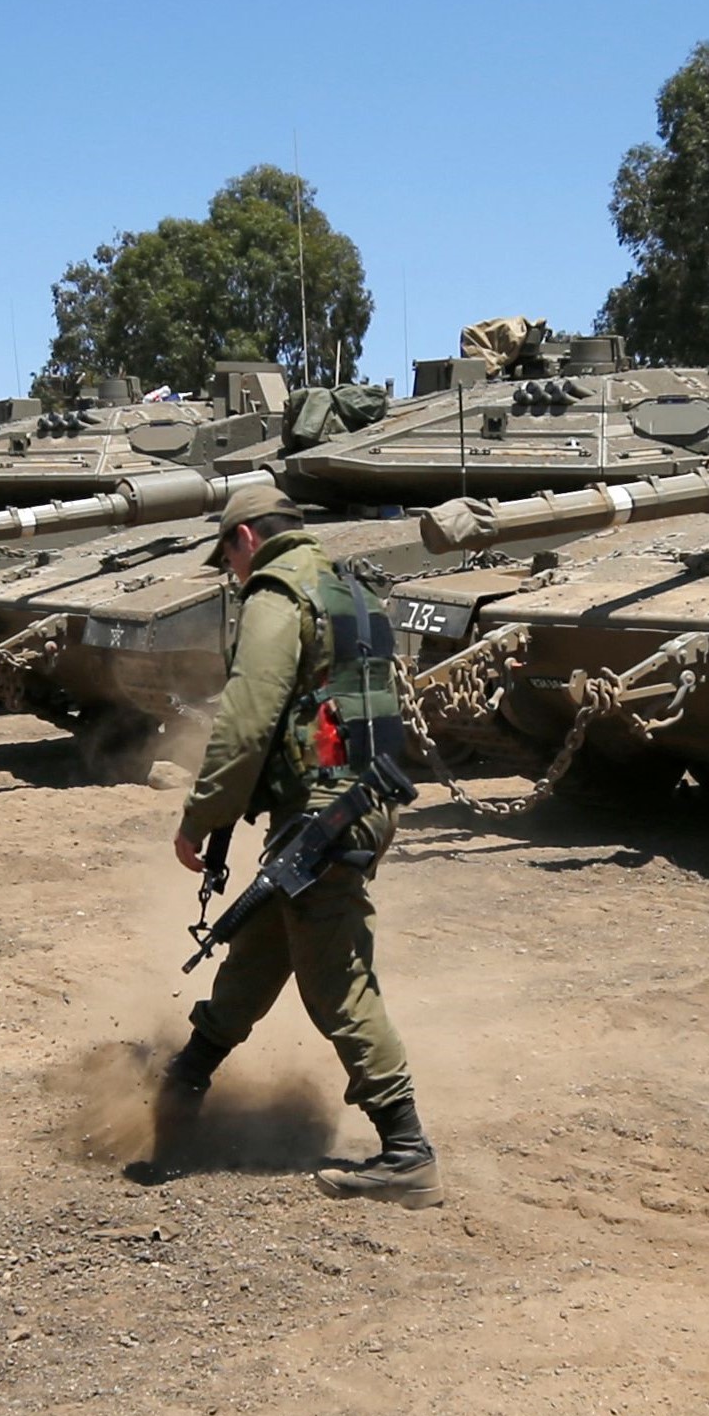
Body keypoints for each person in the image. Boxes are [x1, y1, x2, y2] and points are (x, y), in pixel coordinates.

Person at [147, 501, 436, 1203]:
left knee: (335, 975)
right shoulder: (347, 584)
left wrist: (200, 817)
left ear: (245, 538)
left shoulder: (279, 592)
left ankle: (406, 1148)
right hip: (357, 799)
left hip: (324, 812)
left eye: (228, 559)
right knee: (265, 942)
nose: (232, 574)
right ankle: (186, 1078)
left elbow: (246, 722)